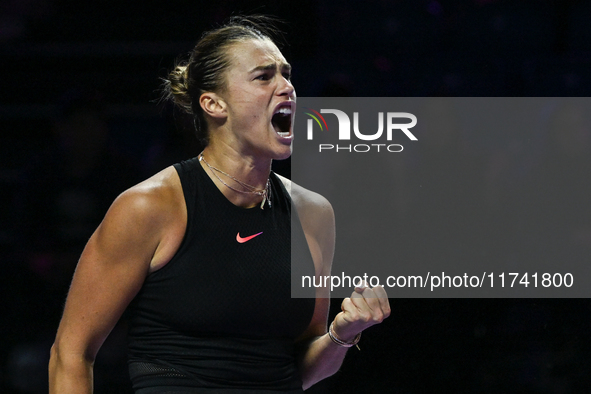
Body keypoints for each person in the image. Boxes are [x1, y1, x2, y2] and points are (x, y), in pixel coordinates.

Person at [48, 16, 390, 393]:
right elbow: (72, 353)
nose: (287, 88)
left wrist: (343, 333)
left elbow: (299, 370)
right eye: (264, 77)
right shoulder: (150, 206)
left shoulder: (314, 213)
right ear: (213, 104)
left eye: (287, 74)